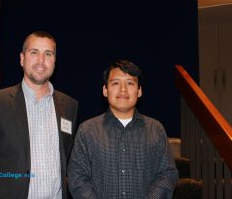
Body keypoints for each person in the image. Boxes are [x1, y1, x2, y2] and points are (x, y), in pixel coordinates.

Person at [0, 31, 78, 199]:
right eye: (34, 52)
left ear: (54, 62)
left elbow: (66, 155)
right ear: (22, 58)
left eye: (48, 54)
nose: (41, 61)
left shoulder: (70, 106)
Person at [67, 60, 178, 199]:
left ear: (139, 91)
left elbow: (167, 174)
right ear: (105, 90)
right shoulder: (87, 130)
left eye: (130, 83)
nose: (123, 89)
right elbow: (77, 177)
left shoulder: (155, 129)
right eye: (116, 83)